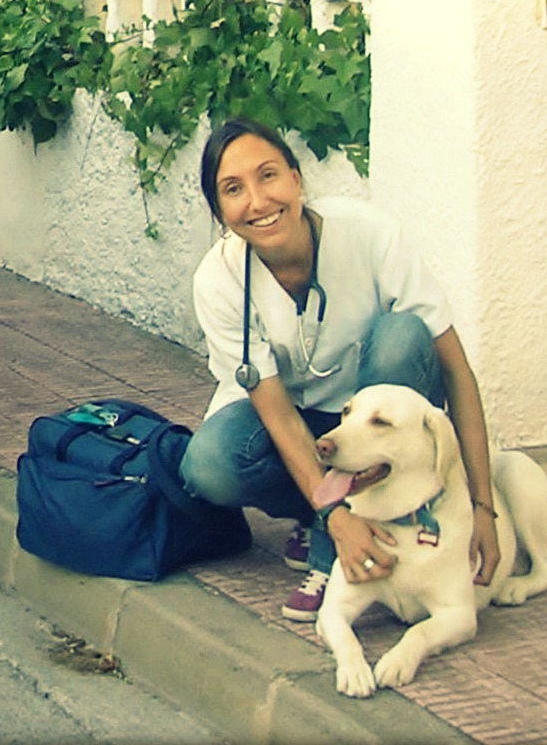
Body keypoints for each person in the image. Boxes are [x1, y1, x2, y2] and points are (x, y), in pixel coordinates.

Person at [177, 116, 501, 620]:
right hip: (296, 424)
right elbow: (278, 416)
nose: (258, 202)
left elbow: (456, 372)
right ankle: (327, 519)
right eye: (233, 189)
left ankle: (333, 559)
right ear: (219, 212)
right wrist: (333, 513)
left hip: (371, 421)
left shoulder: (369, 233)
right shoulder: (219, 281)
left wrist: (484, 506)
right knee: (209, 463)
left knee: (402, 335)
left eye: (268, 175)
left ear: (296, 179)